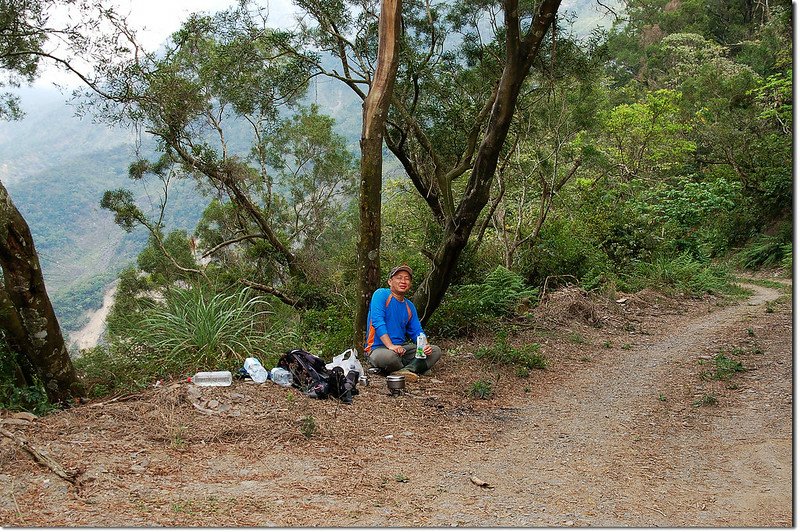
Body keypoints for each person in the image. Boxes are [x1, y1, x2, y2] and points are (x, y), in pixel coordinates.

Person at [364, 264, 442, 381]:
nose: (403, 281)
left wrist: (424, 345)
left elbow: (417, 331)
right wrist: (390, 346)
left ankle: (405, 370)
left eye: (407, 279)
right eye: (399, 278)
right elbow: (378, 322)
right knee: (390, 357)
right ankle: (416, 367)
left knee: (435, 351)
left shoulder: (409, 305)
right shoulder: (381, 294)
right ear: (390, 281)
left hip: (401, 349)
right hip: (378, 348)